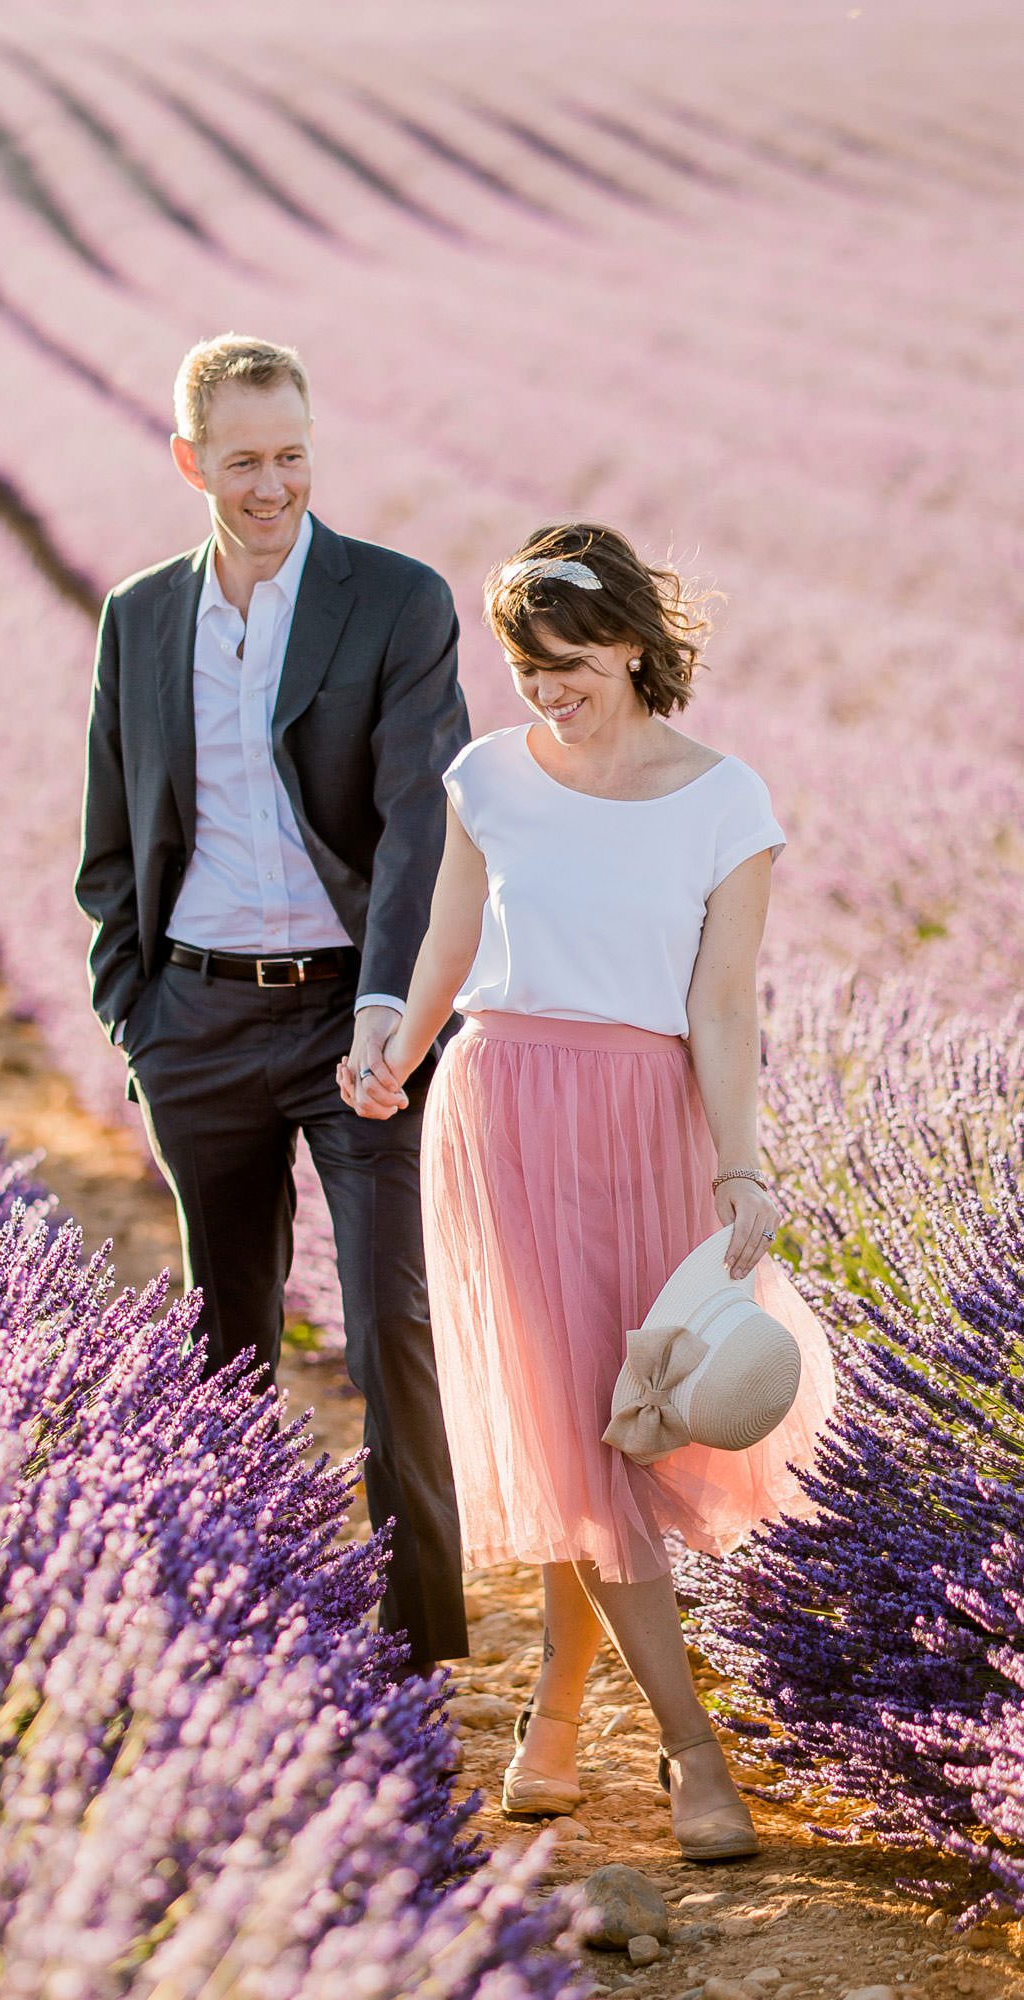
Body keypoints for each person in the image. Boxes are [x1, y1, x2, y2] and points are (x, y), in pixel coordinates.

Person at [340, 522, 835, 1855]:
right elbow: (450, 935)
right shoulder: (488, 776)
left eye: (563, 661)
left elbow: (720, 1007)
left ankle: (553, 1707)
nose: (544, 689)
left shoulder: (727, 800)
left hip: (647, 1114)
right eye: (523, 667)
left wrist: (739, 1167)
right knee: (571, 1415)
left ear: (627, 642)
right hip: (500, 1104)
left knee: (626, 1425)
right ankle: (693, 1759)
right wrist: (391, 1048)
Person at [75, 333, 471, 1674]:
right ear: (190, 462)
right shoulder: (139, 617)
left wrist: (388, 1007)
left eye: (291, 455)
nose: (272, 485)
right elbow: (109, 843)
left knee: (387, 1321)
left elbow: (423, 820)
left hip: (355, 1022)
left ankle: (418, 1644)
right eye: (243, 461)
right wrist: (136, 1015)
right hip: (194, 1019)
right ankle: (242, 1621)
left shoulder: (395, 601)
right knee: (221, 1325)